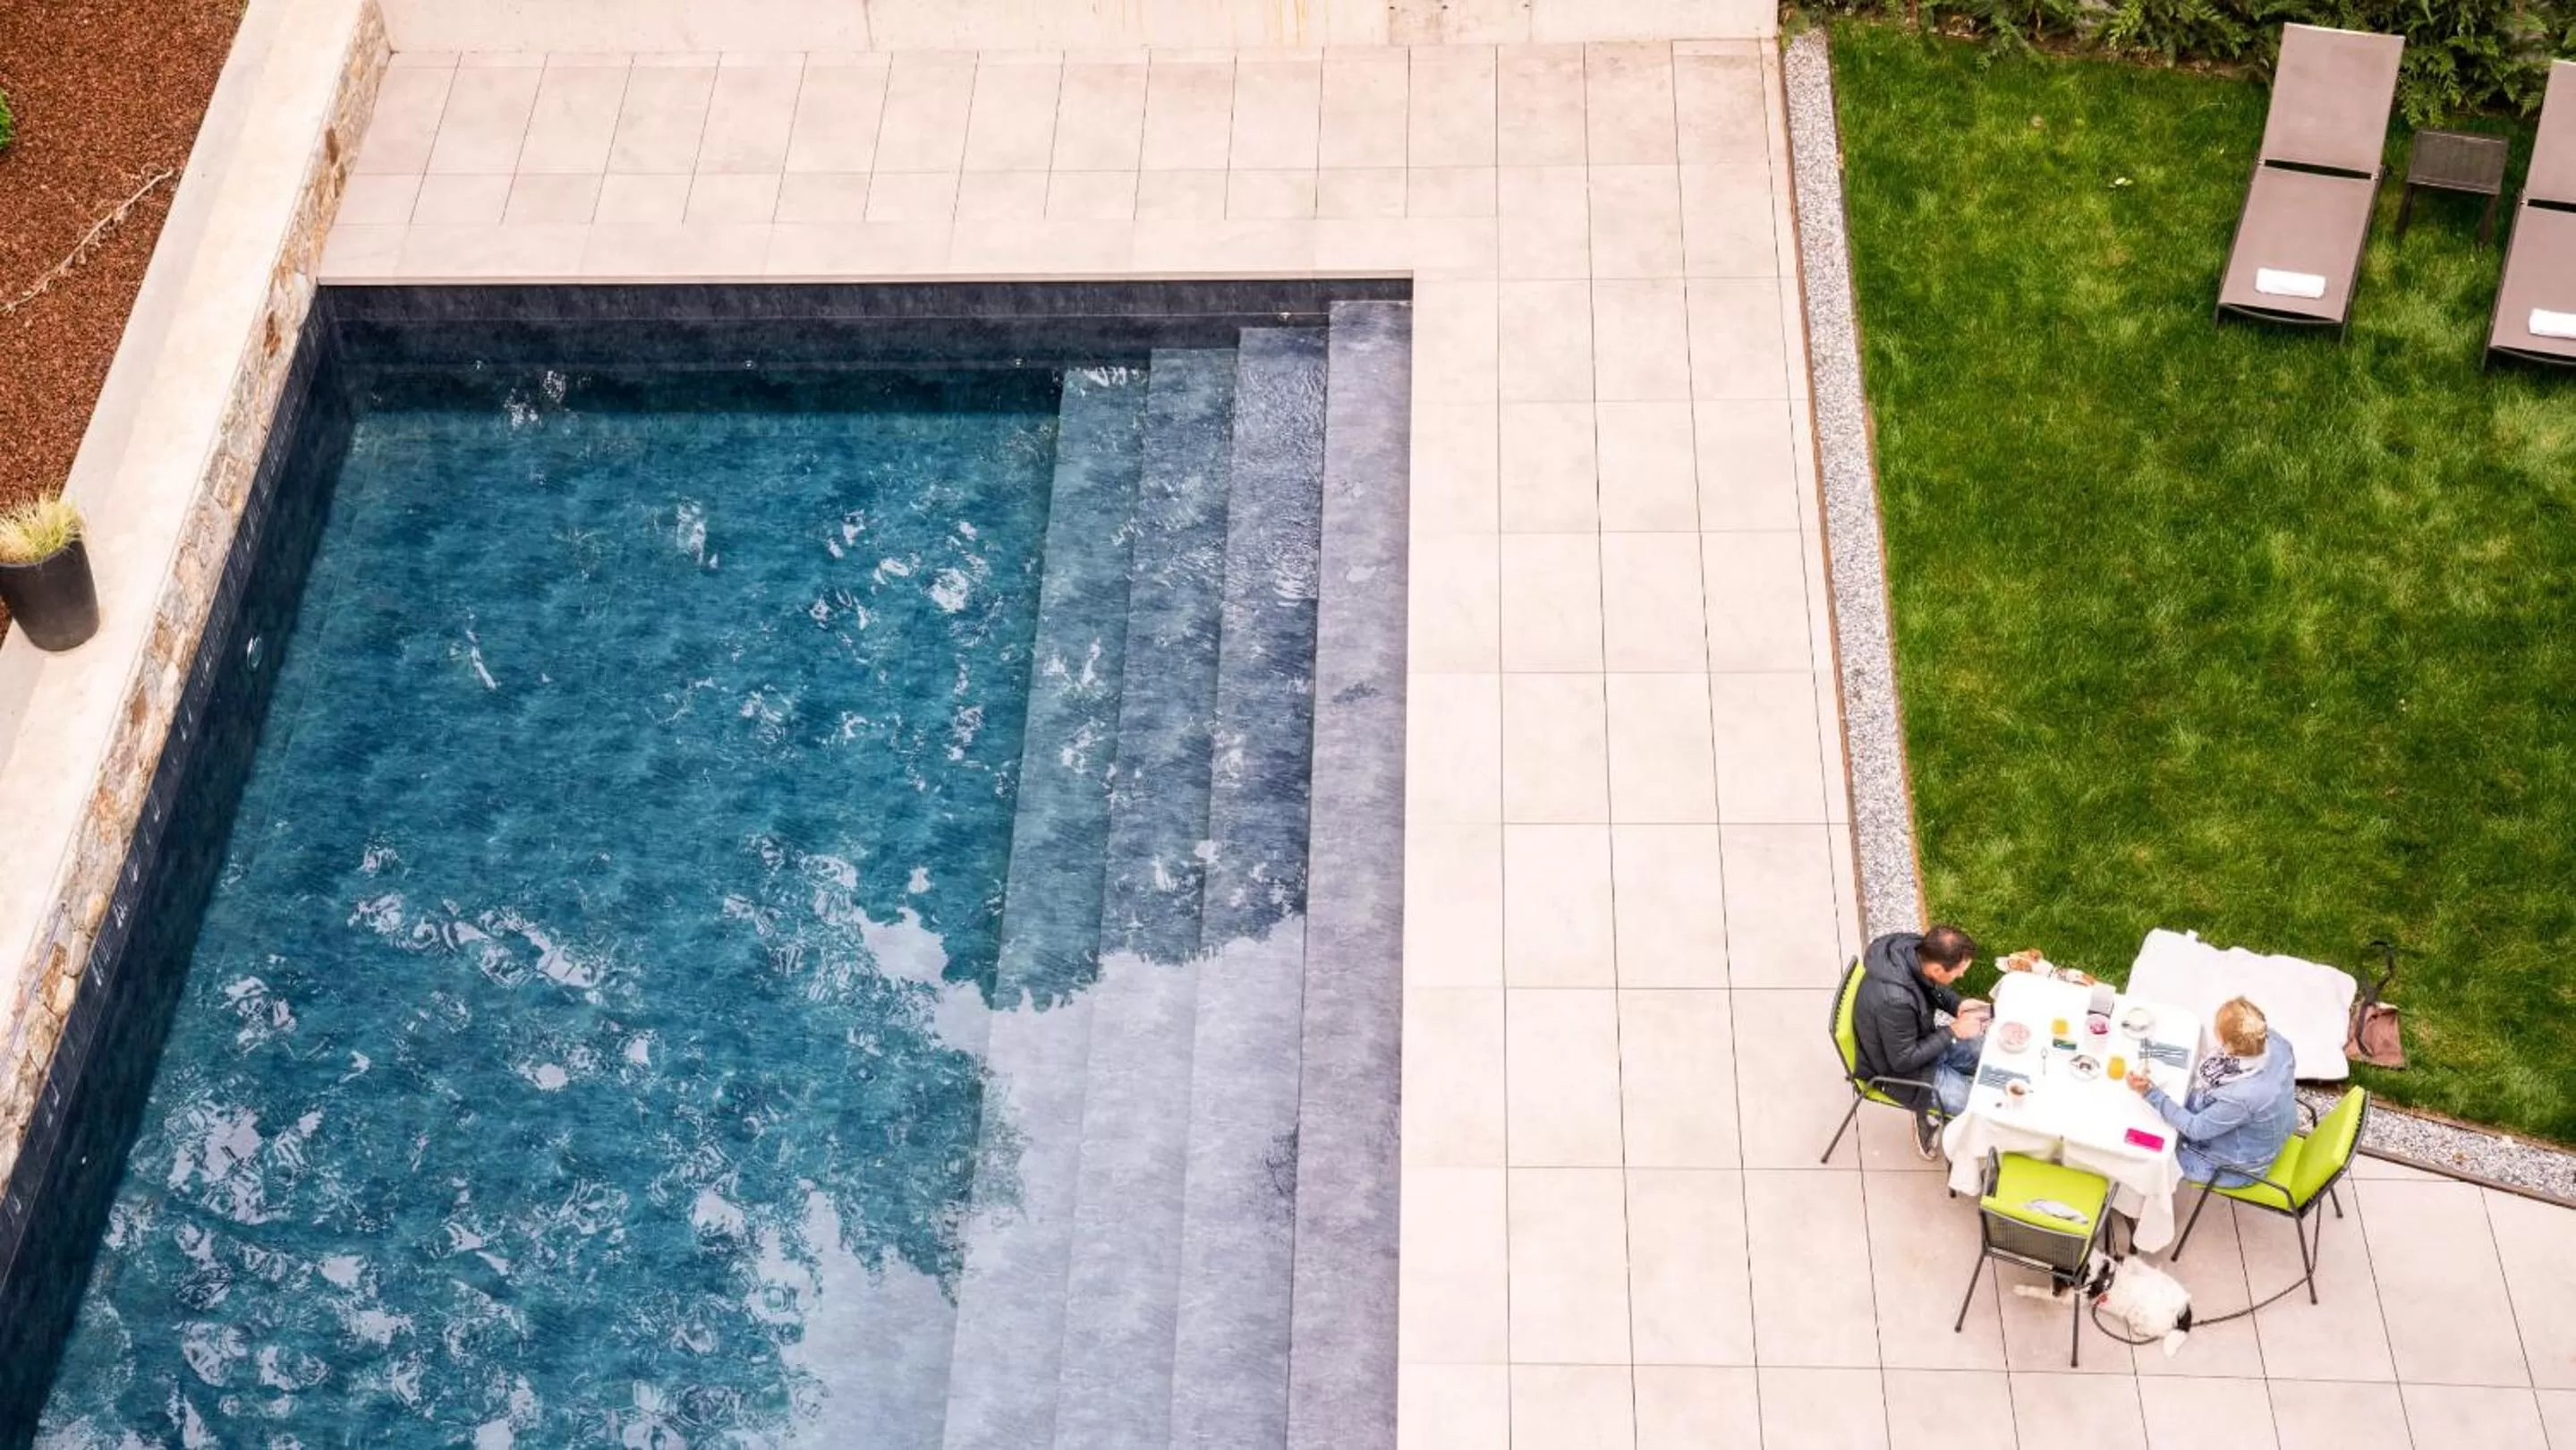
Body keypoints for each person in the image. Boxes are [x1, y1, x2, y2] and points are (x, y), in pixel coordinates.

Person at [1855, 924, 1997, 1159]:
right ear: (1938, 968)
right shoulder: (1895, 1001)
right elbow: (1901, 1061)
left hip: (1917, 1041)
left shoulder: (1913, 949)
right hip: (1903, 1074)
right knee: (1980, 1109)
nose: (1961, 975)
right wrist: (1953, 1031)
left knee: (1990, 1052)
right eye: (1959, 971)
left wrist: (1957, 1005)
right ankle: (1925, 1113)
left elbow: (1928, 985)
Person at [2126, 996, 2299, 1187]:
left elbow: (2194, 1128)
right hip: (2267, 1133)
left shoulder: (2242, 1097)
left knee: (2143, 1148)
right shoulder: (2272, 1041)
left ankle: (2135, 1201)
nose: (2214, 1030)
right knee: (2168, 1102)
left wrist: (2150, 1092)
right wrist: (2154, 1051)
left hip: (2234, 1165)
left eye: (2218, 1030)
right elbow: (2211, 1060)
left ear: (2230, 1045)